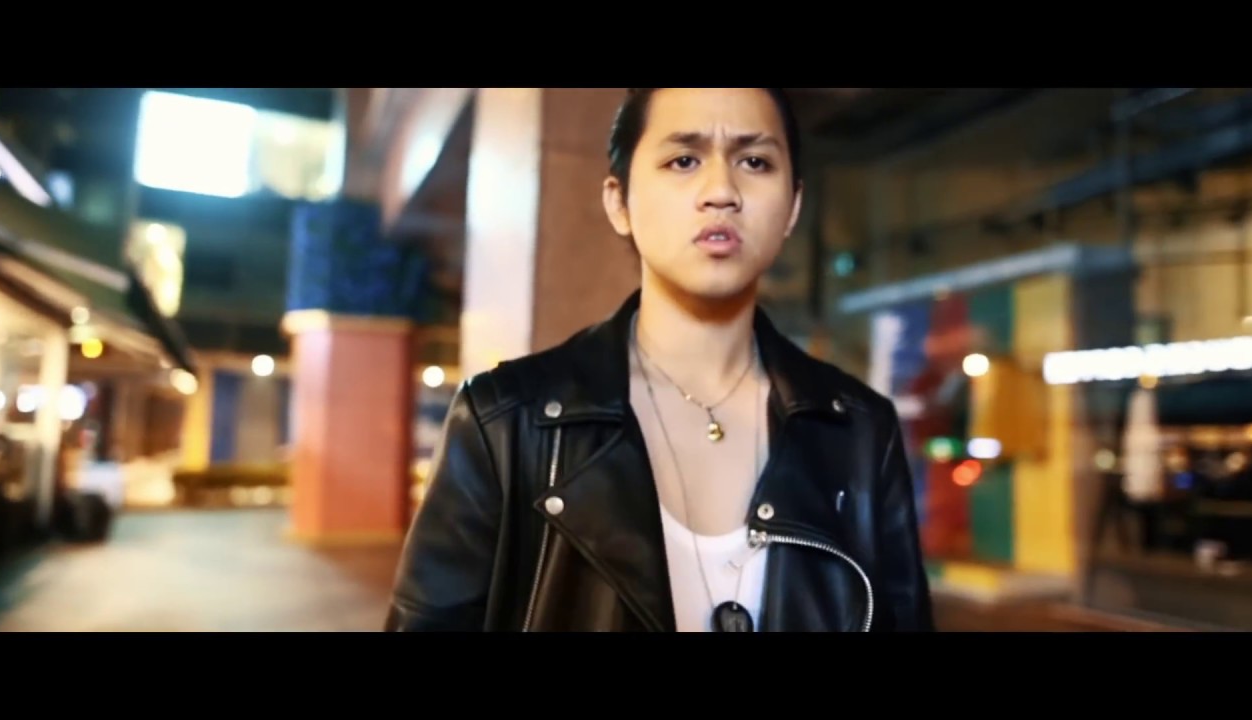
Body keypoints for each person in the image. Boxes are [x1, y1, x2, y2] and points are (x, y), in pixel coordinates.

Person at [385, 88, 934, 632]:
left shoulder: (860, 430)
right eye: (684, 160)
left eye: (754, 162)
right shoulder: (505, 421)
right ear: (619, 202)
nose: (721, 191)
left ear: (791, 206)